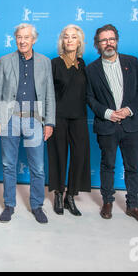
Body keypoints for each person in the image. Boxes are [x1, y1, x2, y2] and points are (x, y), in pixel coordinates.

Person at [85, 24, 138, 225]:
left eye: (111, 39)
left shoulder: (132, 62)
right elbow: (89, 97)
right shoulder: (91, 70)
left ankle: (133, 205)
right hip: (107, 126)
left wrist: (129, 109)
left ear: (117, 40)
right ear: (97, 44)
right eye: (104, 40)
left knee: (132, 167)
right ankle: (107, 202)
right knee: (108, 165)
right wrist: (107, 113)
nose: (108, 43)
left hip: (131, 124)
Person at [0, 23, 55, 224]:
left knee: (38, 167)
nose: (22, 40)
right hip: (10, 119)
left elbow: (50, 94)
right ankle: (9, 205)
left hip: (35, 119)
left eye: (27, 37)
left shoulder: (44, 62)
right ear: (15, 38)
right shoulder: (5, 61)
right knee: (8, 164)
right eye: (19, 37)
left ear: (34, 40)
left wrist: (49, 122)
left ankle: (37, 206)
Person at [47, 24, 91, 216]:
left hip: (79, 117)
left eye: (74, 37)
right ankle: (58, 193)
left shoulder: (83, 66)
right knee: (58, 155)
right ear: (62, 41)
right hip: (59, 117)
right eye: (66, 37)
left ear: (80, 41)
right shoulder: (54, 63)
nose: (70, 40)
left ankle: (71, 196)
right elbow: (47, 93)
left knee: (79, 155)